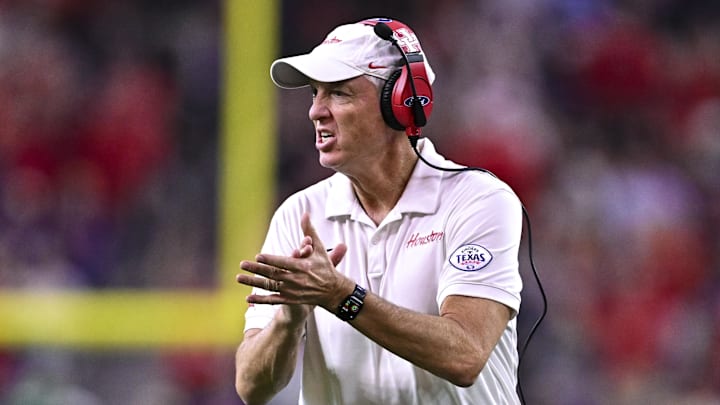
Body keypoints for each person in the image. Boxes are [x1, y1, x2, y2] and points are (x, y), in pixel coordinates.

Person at [235, 17, 523, 405]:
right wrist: (289, 320)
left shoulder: (477, 200)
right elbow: (251, 388)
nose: (316, 112)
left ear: (401, 103)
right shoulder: (300, 214)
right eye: (314, 94)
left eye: (337, 93)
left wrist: (339, 295)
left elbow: (465, 354)